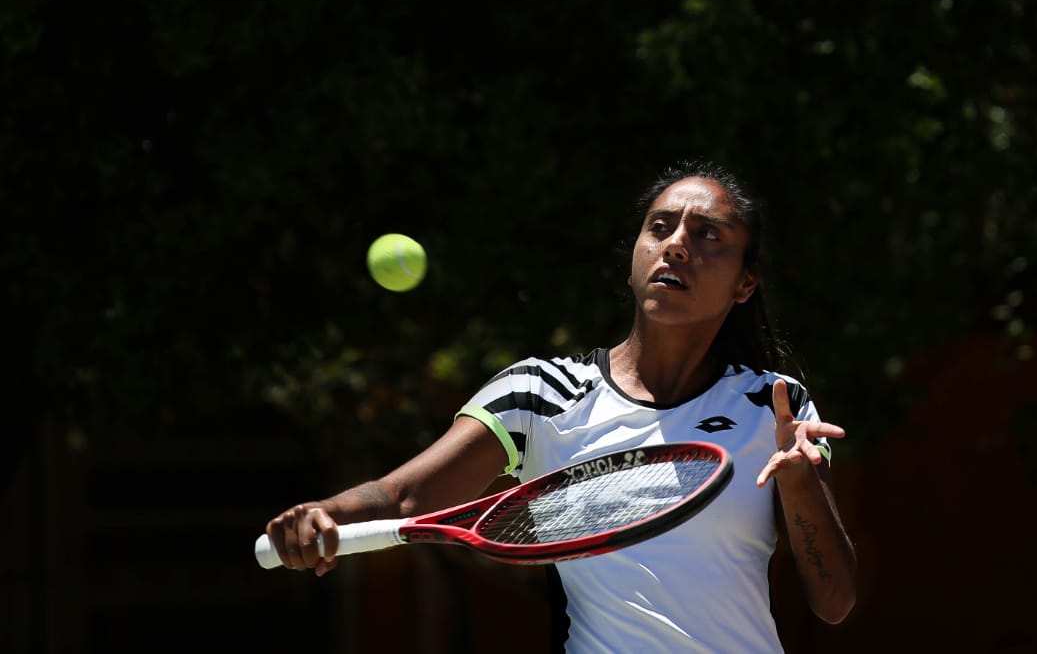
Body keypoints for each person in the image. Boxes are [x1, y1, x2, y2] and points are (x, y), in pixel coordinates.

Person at [264, 159, 857, 650]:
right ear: (634, 259)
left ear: (744, 284)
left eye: (707, 236)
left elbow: (834, 602)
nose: (676, 246)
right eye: (660, 227)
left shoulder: (774, 405)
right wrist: (323, 513)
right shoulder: (540, 394)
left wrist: (802, 481)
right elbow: (404, 497)